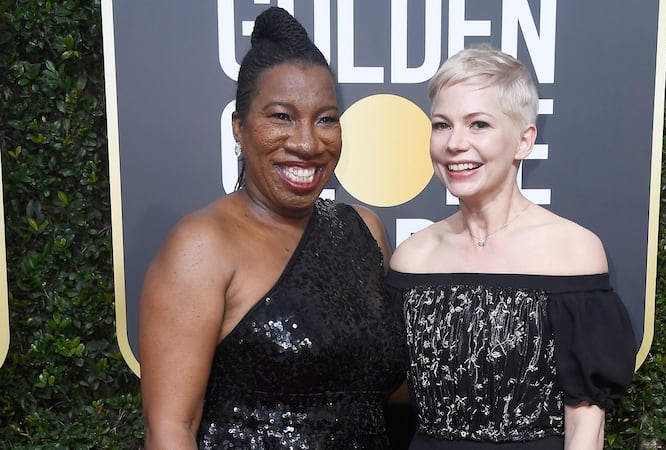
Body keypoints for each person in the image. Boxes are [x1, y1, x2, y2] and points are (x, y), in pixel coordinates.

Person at [138, 7, 407, 449]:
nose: (307, 142)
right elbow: (170, 429)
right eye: (282, 116)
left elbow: (375, 386)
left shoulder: (364, 229)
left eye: (325, 118)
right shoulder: (202, 245)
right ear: (239, 128)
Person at [388, 44, 636, 449]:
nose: (454, 144)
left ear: (524, 141)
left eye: (479, 124)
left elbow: (586, 420)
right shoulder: (413, 257)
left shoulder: (573, 252)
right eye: (442, 125)